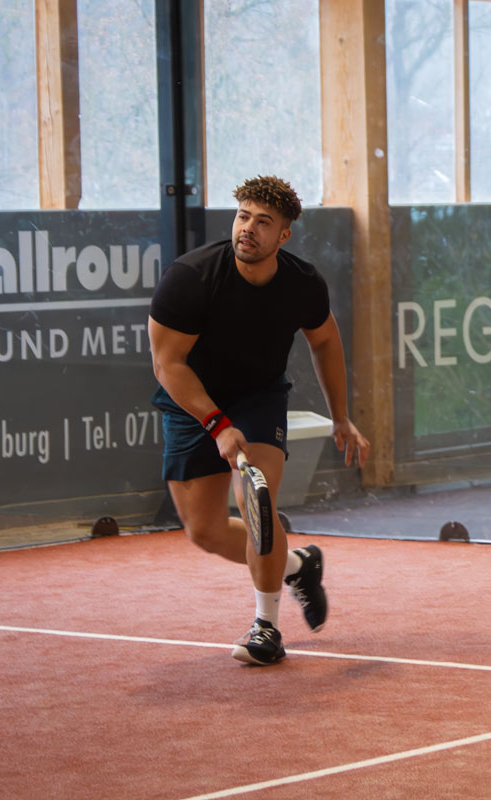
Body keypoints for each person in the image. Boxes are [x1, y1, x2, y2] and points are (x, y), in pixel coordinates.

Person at [148, 175, 369, 666]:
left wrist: (341, 418)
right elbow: (168, 366)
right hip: (193, 401)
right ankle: (297, 565)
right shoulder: (190, 278)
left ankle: (266, 627)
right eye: (243, 216)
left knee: (258, 503)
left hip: (259, 397)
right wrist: (216, 424)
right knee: (202, 530)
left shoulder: (302, 283)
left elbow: (326, 341)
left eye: (263, 222)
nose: (248, 229)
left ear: (283, 236)